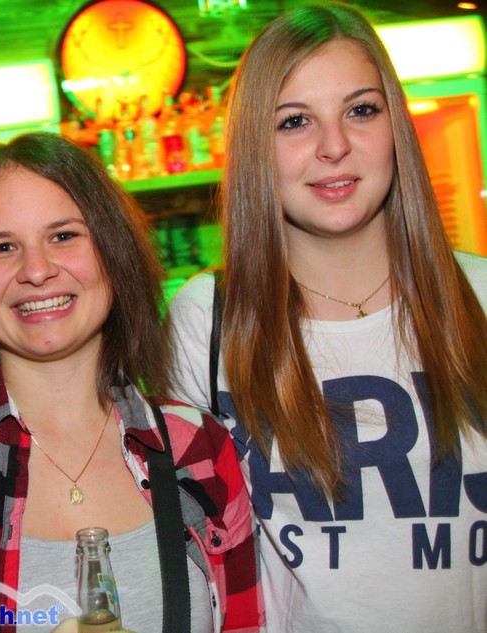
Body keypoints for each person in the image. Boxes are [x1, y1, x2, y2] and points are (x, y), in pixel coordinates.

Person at [0, 132, 264, 632]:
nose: (36, 270)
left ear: (112, 254)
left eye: (64, 236)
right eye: (2, 246)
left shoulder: (200, 449)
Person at [168, 4, 487, 633]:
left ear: (396, 125)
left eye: (361, 110)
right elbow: (186, 548)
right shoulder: (208, 320)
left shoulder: (479, 294)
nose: (334, 145)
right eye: (294, 121)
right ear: (256, 147)